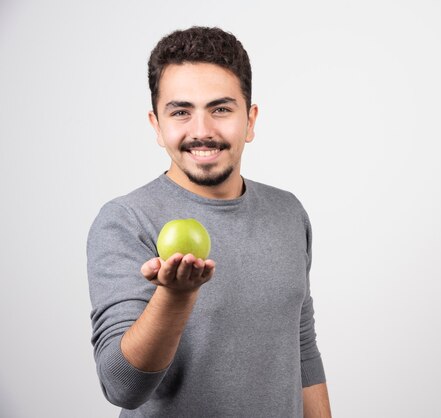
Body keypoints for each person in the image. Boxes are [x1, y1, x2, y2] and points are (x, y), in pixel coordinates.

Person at [87, 26, 331, 417]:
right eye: (181, 111)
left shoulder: (288, 213)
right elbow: (122, 387)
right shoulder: (126, 221)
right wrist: (175, 297)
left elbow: (301, 350)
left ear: (250, 121)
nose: (201, 131)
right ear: (156, 126)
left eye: (220, 109)